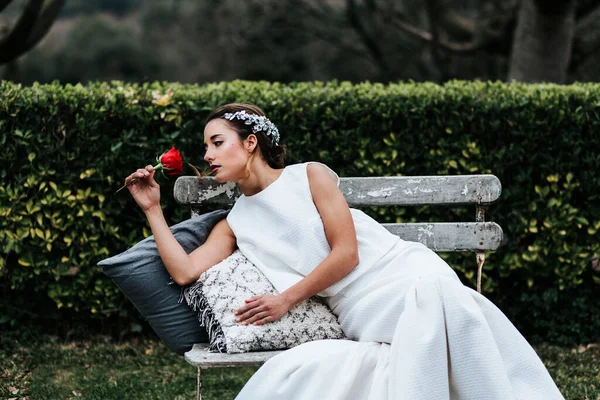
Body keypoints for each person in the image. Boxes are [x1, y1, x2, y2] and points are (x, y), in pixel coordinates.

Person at [125, 103, 564, 399]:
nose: (209, 154)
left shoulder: (311, 176)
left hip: (399, 270)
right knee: (448, 304)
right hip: (358, 306)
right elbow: (183, 271)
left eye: (217, 142)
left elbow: (347, 254)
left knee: (443, 295)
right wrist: (153, 209)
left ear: (251, 142)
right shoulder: (234, 223)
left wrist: (286, 298)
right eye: (206, 146)